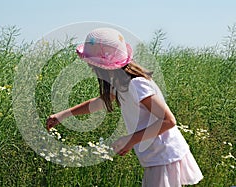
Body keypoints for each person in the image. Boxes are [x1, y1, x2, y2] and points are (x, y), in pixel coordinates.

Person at [46, 27, 203, 186]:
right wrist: (62, 115)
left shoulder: (136, 84)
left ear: (104, 65)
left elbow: (169, 121)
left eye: (92, 64)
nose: (90, 67)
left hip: (164, 154)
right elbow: (99, 103)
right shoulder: (120, 83)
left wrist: (130, 139)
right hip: (156, 155)